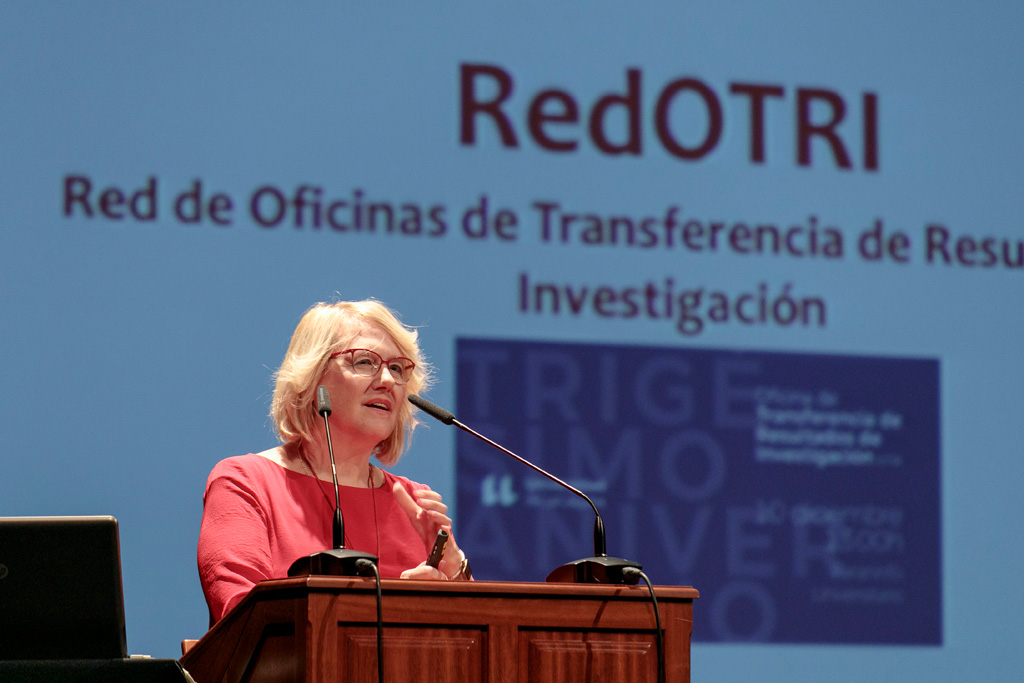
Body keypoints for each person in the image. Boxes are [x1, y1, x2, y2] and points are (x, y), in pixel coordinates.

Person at [197, 299, 469, 625]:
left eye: (397, 368)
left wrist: (454, 571)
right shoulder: (246, 482)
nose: (387, 380)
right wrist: (395, 611)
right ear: (312, 379)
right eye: (365, 361)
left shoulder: (416, 505)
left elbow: (477, 638)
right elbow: (242, 619)